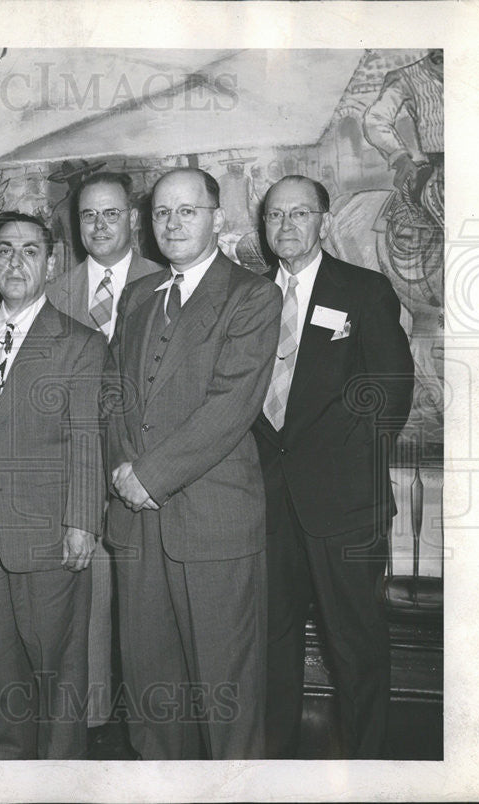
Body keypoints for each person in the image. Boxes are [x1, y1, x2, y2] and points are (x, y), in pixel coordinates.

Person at [108, 168, 280, 760]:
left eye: (187, 211)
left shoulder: (252, 295)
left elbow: (230, 408)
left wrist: (147, 476)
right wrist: (121, 468)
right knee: (153, 695)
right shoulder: (137, 295)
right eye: (161, 213)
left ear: (218, 219)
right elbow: (113, 396)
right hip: (137, 525)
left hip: (213, 520)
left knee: (224, 694)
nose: (173, 223)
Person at [253, 175, 414, 758]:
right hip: (268, 506)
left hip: (345, 508)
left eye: (299, 213)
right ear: (263, 225)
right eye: (275, 215)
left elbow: (391, 394)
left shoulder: (363, 291)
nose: (287, 225)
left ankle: (369, 771)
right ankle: (276, 771)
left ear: (322, 220)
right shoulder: (249, 298)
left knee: (357, 647)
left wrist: (342, 469)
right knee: (272, 646)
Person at [0, 212, 108, 759]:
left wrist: (82, 522)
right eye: (5, 250)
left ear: (51, 262)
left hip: (49, 532)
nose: (16, 262)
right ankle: (7, 773)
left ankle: (62, 779)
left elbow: (87, 438)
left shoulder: (80, 343)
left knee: (58, 669)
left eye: (30, 251)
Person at [46, 170, 161, 731]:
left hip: (146, 471)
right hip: (79, 471)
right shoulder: (55, 293)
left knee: (147, 613)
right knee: (85, 604)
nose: (98, 225)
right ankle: (89, 729)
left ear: (133, 219)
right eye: (88, 215)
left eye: (110, 213)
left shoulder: (165, 282)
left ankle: (151, 733)